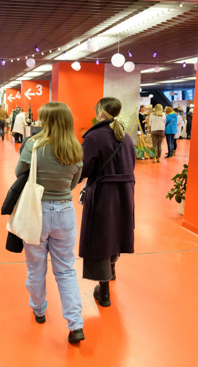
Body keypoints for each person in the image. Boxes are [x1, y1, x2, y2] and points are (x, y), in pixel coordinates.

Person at [14, 102, 85, 344]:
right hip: (65, 211)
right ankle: (75, 323)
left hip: (37, 212)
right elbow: (74, 183)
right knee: (66, 269)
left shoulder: (34, 146)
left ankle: (39, 310)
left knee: (36, 267)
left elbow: (18, 173)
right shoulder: (76, 148)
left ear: (48, 121)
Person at [79, 97, 135, 308]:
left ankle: (104, 292)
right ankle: (111, 272)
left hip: (103, 193)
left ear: (100, 112)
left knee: (101, 237)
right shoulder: (126, 137)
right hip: (125, 193)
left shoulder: (94, 137)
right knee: (116, 233)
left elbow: (84, 169)